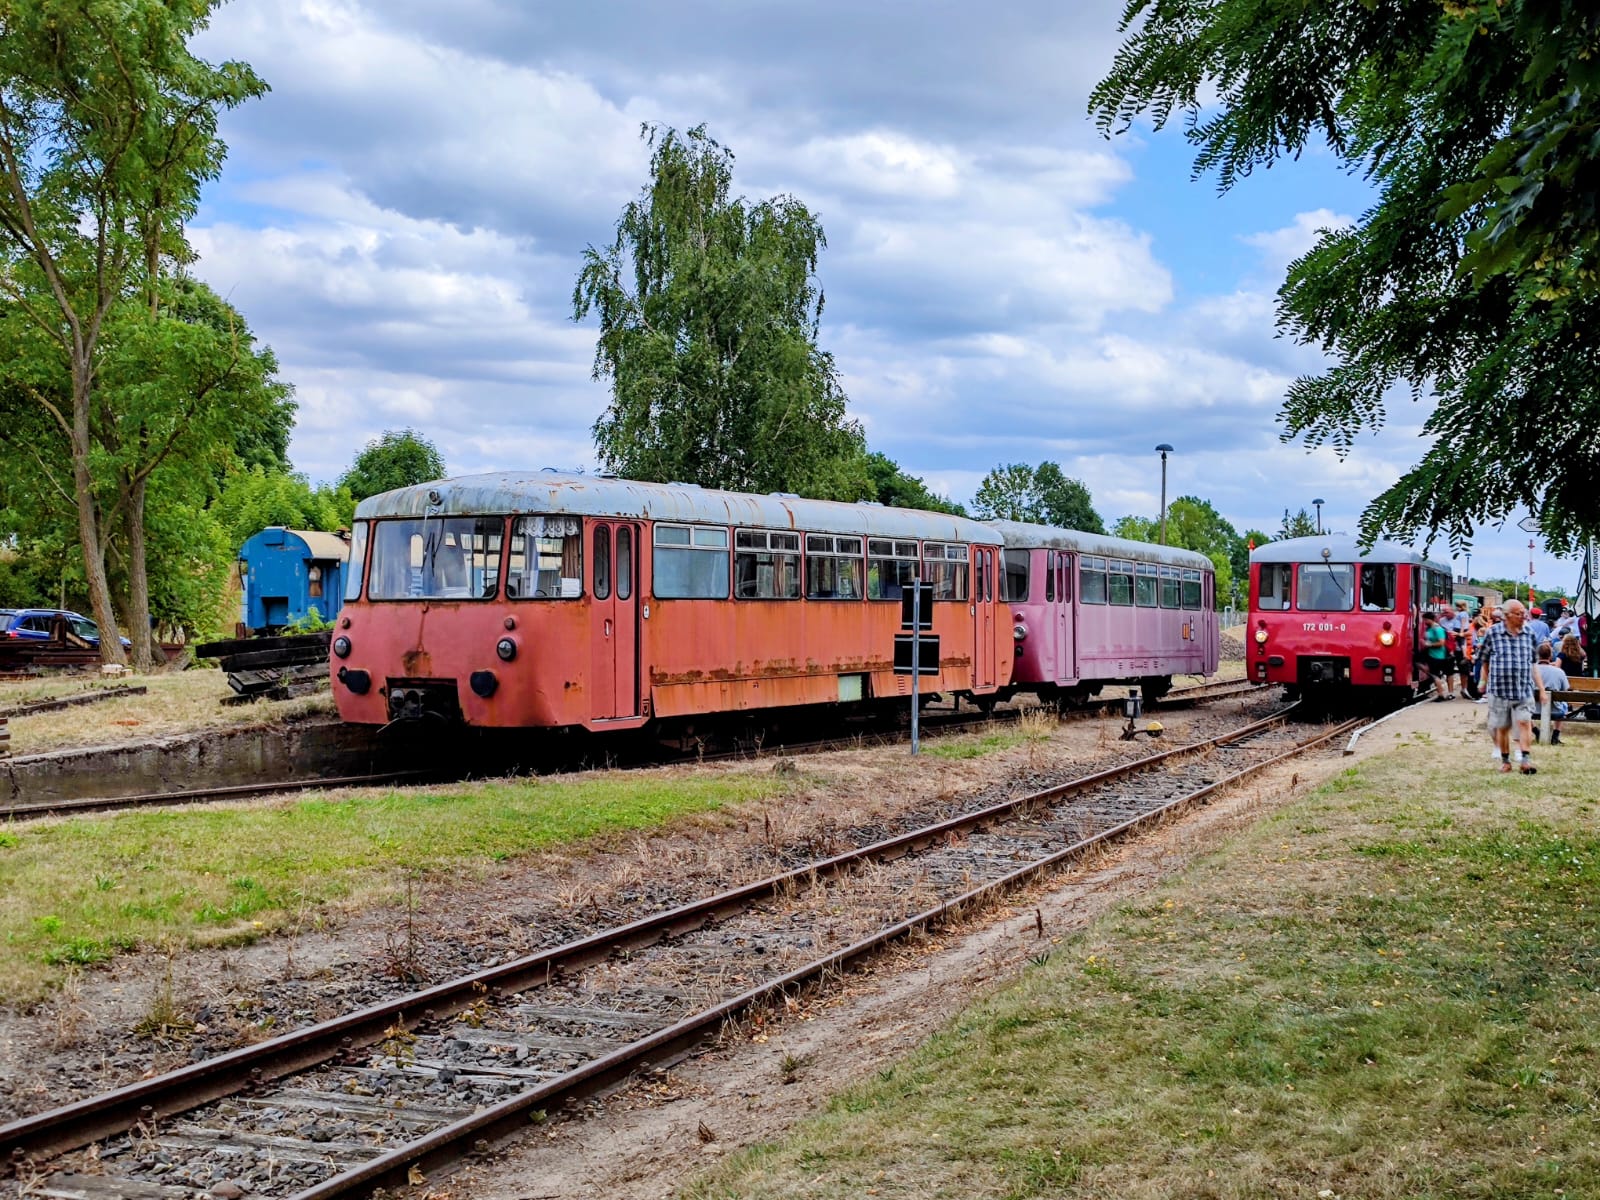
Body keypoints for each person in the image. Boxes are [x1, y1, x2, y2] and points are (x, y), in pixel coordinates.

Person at [1478, 599, 1549, 773]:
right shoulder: (1493, 633)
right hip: (1500, 690)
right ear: (1507, 615)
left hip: (1524, 689)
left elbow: (1533, 664)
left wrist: (1541, 689)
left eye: (1524, 613)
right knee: (1503, 727)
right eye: (1519, 613)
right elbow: (1484, 660)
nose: (1523, 616)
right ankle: (1506, 761)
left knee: (1525, 722)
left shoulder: (1529, 633)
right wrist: (1486, 681)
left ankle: (1525, 761)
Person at [1535, 643, 1569, 745]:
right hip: (1555, 710)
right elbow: (1565, 690)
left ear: (1538, 655)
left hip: (1533, 710)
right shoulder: (1559, 672)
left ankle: (1536, 731)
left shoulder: (1530, 671)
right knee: (1563, 704)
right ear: (1550, 656)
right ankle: (1555, 735)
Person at [1421, 611, 1450, 701]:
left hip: (1438, 656)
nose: (1424, 621)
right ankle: (1440, 693)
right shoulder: (1430, 629)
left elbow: (1441, 642)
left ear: (1430, 619)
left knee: (1435, 676)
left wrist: (1429, 644)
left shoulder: (1438, 629)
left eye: (1425, 620)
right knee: (1433, 674)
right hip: (1431, 654)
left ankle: (1441, 694)